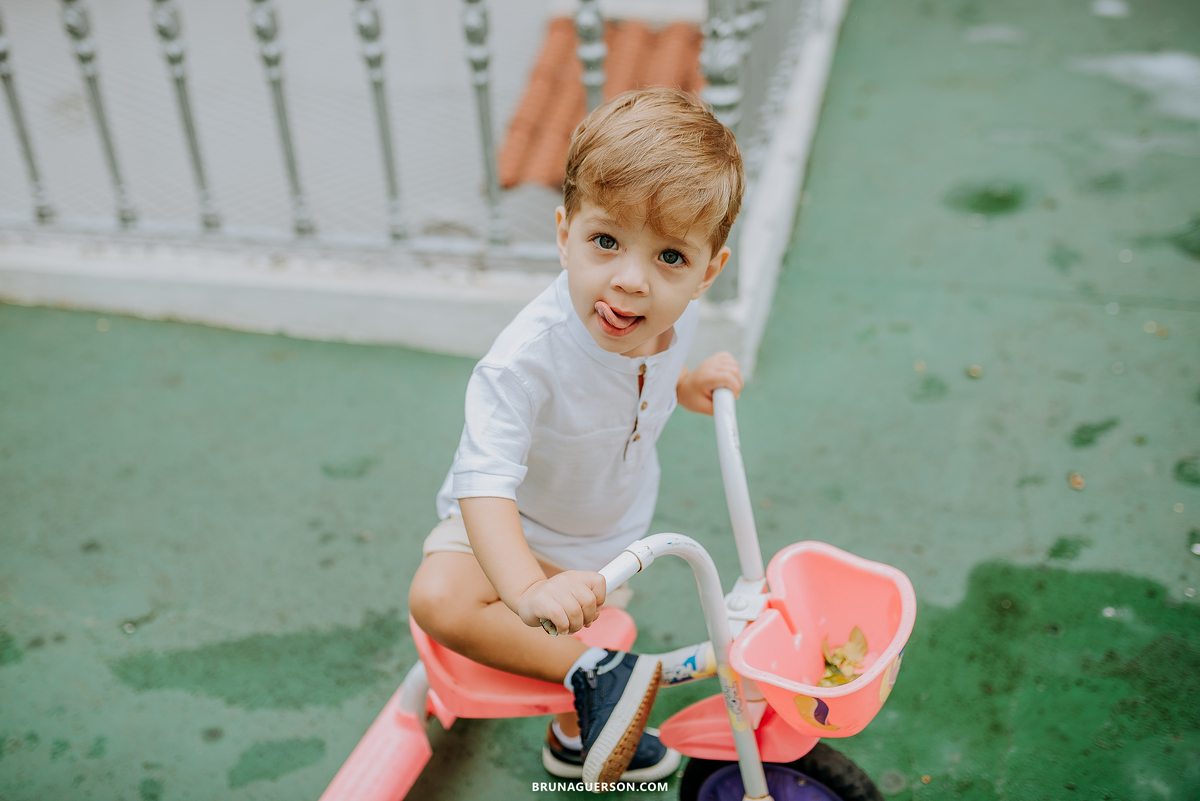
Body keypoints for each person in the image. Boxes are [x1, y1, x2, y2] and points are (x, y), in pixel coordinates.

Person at [408, 87, 745, 786]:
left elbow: (645, 378)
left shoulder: (665, 323)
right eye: (606, 241)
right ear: (564, 233)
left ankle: (575, 728)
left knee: (590, 620)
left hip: (605, 532)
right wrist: (525, 584)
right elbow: (484, 481)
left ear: (708, 270)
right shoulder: (524, 360)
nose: (629, 282)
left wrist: (687, 386)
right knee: (439, 596)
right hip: (513, 528)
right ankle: (594, 673)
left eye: (670, 258)